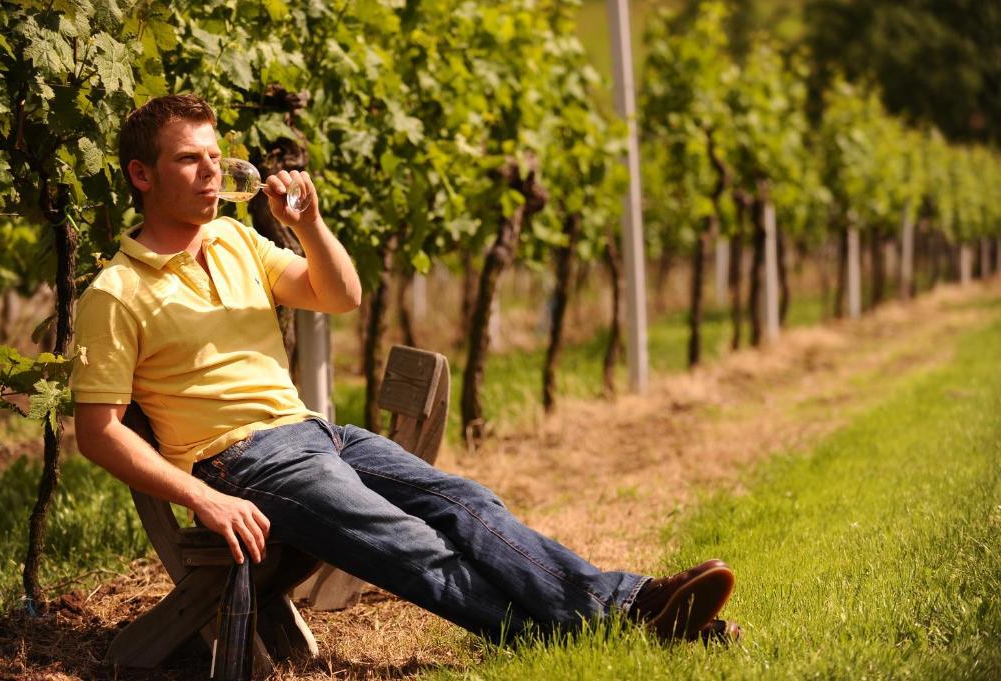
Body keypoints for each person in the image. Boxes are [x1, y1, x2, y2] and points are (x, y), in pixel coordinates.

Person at [71, 94, 738, 647]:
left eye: (217, 157)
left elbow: (340, 295)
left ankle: (630, 607)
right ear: (141, 175)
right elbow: (98, 431)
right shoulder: (116, 292)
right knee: (409, 543)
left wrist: (308, 227)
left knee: (466, 502)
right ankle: (623, 623)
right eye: (189, 160)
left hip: (315, 432)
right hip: (244, 462)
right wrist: (204, 496)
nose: (211, 173)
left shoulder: (237, 239)